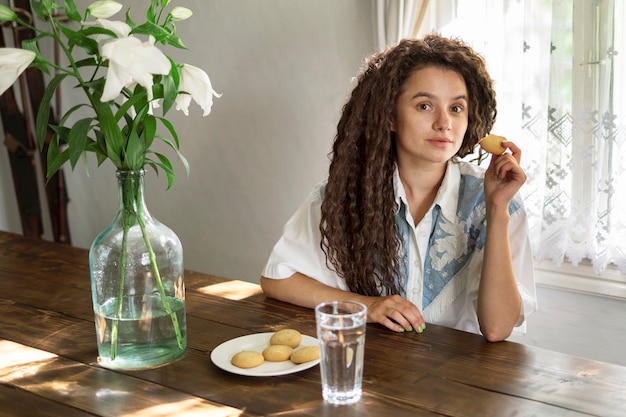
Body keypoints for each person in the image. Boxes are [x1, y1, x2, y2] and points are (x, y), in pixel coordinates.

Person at [260, 34, 537, 342]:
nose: (444, 122)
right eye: (424, 106)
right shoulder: (344, 194)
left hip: (462, 383)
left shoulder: (497, 199)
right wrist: (368, 306)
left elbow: (498, 328)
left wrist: (497, 209)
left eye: (456, 108)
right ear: (390, 116)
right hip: (374, 374)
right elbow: (278, 278)